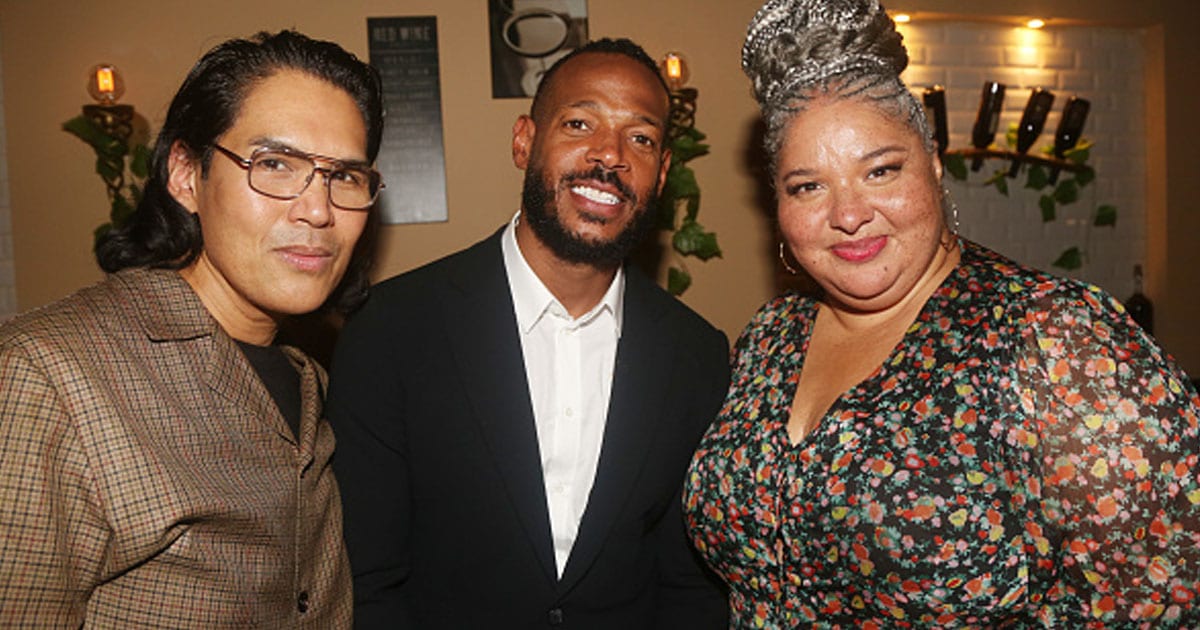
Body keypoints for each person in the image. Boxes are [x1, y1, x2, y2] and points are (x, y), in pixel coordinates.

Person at [683, 0, 1200, 627]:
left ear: (931, 166)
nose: (848, 214)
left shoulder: (1057, 342)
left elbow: (1163, 598)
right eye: (808, 185)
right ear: (779, 207)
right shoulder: (769, 339)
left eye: (880, 170)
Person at [328, 38, 730, 628]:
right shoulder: (390, 328)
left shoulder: (696, 355)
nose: (609, 155)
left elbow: (689, 584)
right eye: (579, 122)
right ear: (524, 141)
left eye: (640, 138)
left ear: (662, 172)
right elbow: (367, 581)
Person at [0, 30, 383, 628]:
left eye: (345, 176)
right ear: (185, 174)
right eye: (275, 164)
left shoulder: (309, 377)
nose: (317, 210)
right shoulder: (50, 375)